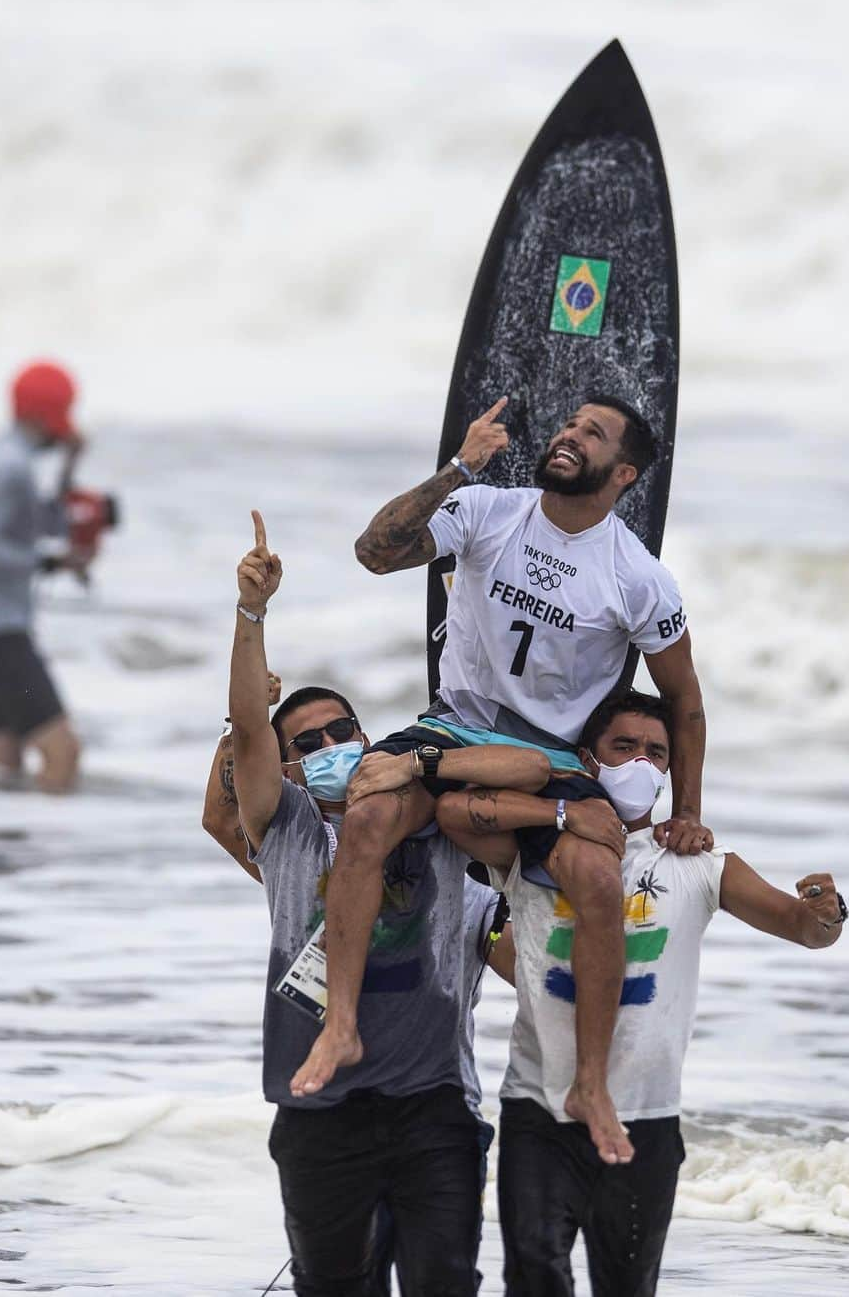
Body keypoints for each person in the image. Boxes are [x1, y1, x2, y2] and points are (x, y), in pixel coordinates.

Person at [295, 395, 712, 1166]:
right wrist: (458, 466)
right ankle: (342, 1023)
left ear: (622, 473)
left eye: (592, 433)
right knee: (366, 822)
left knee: (595, 874)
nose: (568, 434)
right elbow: (375, 551)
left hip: (551, 757)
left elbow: (684, 701)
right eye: (570, 422)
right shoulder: (486, 509)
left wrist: (686, 810)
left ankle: (589, 1083)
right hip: (453, 722)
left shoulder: (639, 577)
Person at [225, 509, 548, 1297]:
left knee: (444, 1283)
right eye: (307, 742)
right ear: (289, 768)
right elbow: (244, 728)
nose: (331, 746)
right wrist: (251, 614)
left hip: (432, 1105)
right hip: (317, 1107)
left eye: (345, 730)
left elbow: (531, 764)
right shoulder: (290, 831)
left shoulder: (435, 815)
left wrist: (428, 762)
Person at [435, 688, 848, 1297]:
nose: (639, 762)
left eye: (656, 753)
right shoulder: (534, 845)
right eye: (622, 746)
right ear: (588, 757)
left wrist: (828, 912)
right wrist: (559, 812)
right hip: (539, 1112)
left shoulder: (698, 863)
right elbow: (455, 810)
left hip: (647, 1121)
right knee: (534, 1277)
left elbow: (803, 929)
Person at [0, 360, 86, 791]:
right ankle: (55, 856)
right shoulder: (11, 469)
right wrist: (49, 563)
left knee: (5, 755)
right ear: (46, 416)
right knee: (63, 751)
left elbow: (45, 523)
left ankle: (7, 852)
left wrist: (69, 466)